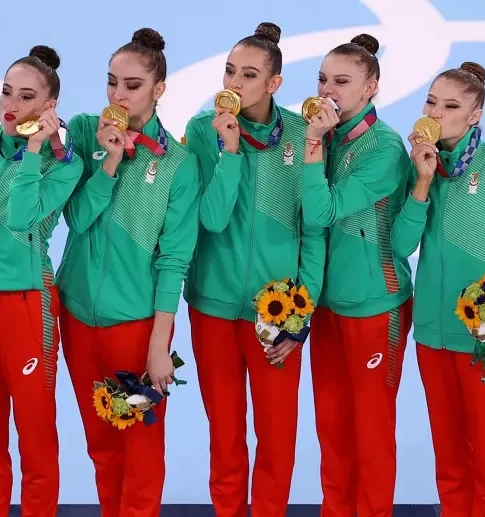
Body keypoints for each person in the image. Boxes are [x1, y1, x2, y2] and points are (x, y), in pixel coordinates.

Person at [183, 22, 327, 517]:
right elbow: (211, 219)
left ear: (274, 83)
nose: (233, 82)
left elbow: (314, 230)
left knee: (277, 434)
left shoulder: (304, 136)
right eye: (229, 71)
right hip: (213, 307)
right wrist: (229, 152)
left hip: (278, 313)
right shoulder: (203, 131)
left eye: (248, 74)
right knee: (224, 434)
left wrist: (302, 313)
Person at [56, 28, 201, 517]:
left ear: (159, 89)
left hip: (136, 327)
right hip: (77, 318)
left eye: (133, 85)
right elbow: (76, 219)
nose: (118, 95)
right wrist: (109, 162)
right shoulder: (83, 132)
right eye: (112, 82)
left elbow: (174, 260)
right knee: (100, 444)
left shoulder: (179, 164)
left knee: (139, 448)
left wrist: (159, 346)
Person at [301, 34, 413, 516]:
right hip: (326, 305)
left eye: (341, 82)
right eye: (322, 79)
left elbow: (321, 212)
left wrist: (310, 144)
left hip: (375, 304)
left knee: (370, 430)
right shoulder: (325, 138)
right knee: (332, 428)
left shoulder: (384, 149)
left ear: (370, 88)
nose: (328, 90)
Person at [0, 45, 83, 517]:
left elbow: (20, 217)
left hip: (26, 306)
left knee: (35, 440)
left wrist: (33, 150)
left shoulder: (65, 164)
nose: (11, 105)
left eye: (27, 96)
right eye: (6, 92)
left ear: (49, 107)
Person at [391, 61, 485, 517]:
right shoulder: (419, 166)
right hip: (431, 330)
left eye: (450, 106)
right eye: (431, 102)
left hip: (479, 335)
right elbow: (401, 244)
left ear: (474, 115)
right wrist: (423, 181)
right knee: (448, 455)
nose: (434, 113)